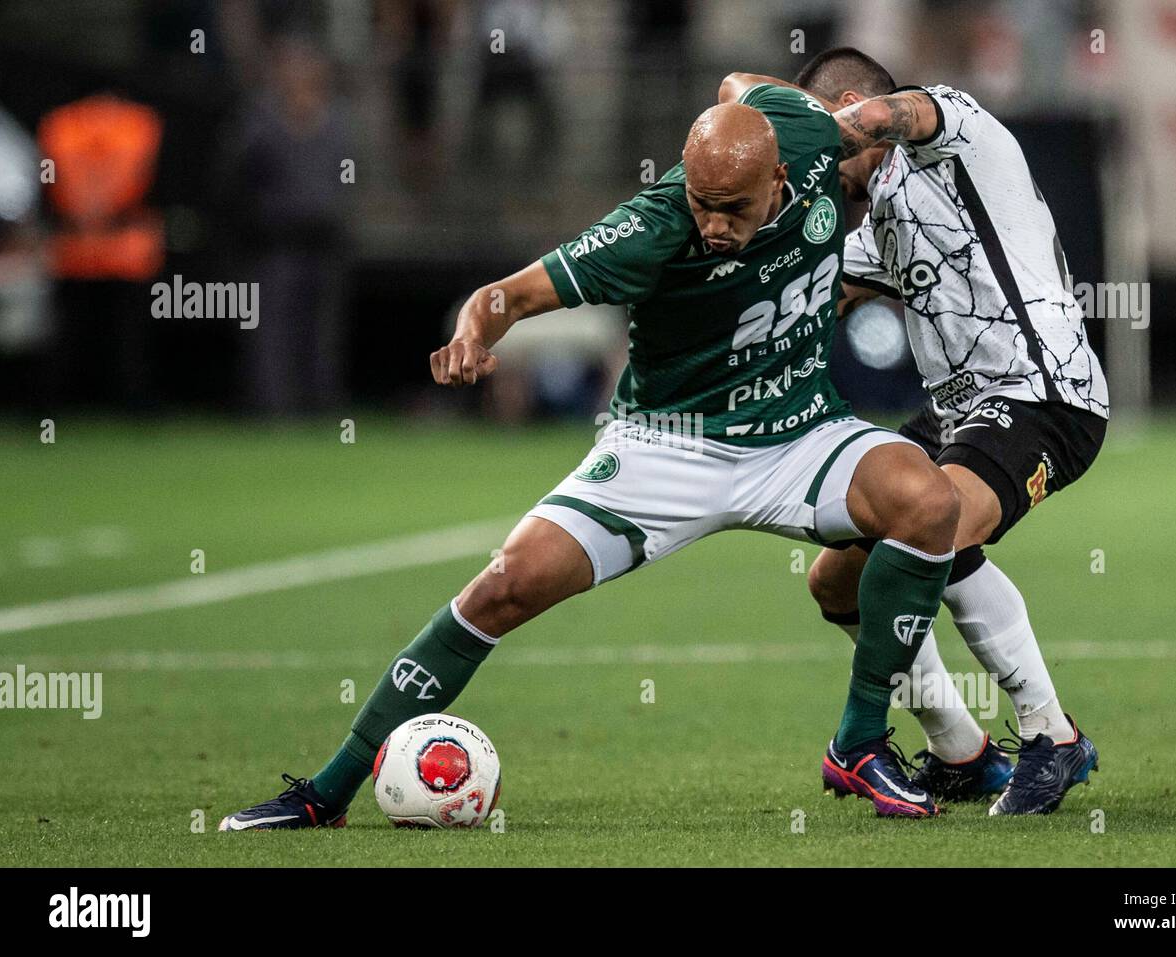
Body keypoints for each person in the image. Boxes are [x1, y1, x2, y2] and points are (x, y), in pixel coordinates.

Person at [220, 82, 964, 831]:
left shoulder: (807, 135)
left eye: (731, 209)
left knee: (928, 502)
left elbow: (742, 86)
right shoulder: (651, 227)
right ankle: (328, 789)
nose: (710, 224)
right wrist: (476, 333)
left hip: (799, 431)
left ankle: (861, 742)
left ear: (780, 178)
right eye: (700, 201)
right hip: (666, 447)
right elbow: (505, 295)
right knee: (503, 585)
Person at [781, 47, 1108, 815]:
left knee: (941, 523)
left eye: (820, 147)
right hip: (958, 410)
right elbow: (813, 302)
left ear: (850, 111)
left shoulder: (958, 132)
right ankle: (959, 749)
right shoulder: (883, 216)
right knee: (838, 577)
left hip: (1041, 390)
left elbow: (902, 113)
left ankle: (1051, 734)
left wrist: (810, 133)